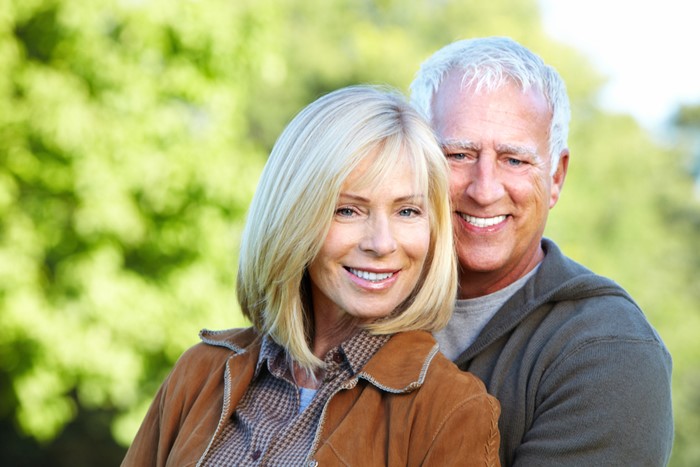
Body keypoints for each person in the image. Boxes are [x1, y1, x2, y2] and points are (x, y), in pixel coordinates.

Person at [121, 85, 501, 466]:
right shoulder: (201, 372)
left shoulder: (451, 411)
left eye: (407, 212)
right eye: (348, 210)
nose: (382, 243)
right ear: (294, 218)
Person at [410, 37, 674, 466]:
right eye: (458, 154)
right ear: (413, 162)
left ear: (555, 178)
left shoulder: (606, 350)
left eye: (514, 160)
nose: (484, 190)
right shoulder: (354, 300)